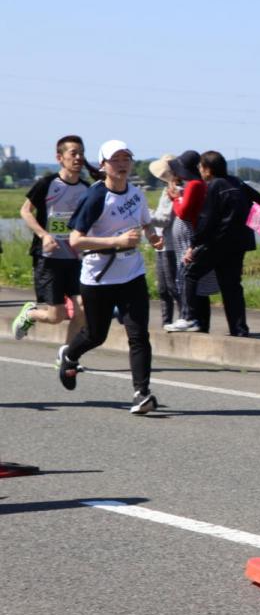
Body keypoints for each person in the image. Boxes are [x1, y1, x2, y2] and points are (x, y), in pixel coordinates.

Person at [58, 139, 163, 415]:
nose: (122, 164)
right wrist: (116, 241)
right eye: (115, 159)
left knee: (138, 335)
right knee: (96, 335)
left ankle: (141, 393)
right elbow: (75, 241)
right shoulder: (96, 197)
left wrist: (153, 237)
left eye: (126, 158)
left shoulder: (136, 194)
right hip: (98, 277)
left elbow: (145, 222)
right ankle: (70, 354)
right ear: (103, 165)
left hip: (132, 274)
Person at [11, 135, 96, 342]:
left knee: (82, 309)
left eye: (81, 153)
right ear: (60, 158)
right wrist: (44, 235)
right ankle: (30, 314)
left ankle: (67, 355)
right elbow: (25, 211)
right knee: (56, 316)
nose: (78, 158)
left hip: (75, 259)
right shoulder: (47, 183)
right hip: (49, 258)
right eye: (73, 153)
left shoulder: (86, 189)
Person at [183, 151, 260, 337]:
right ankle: (239, 330)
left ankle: (190, 318)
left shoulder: (215, 185)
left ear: (208, 169)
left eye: (201, 167)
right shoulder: (237, 181)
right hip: (240, 243)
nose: (200, 171)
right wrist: (249, 221)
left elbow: (206, 219)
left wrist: (194, 244)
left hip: (218, 242)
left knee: (190, 273)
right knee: (231, 286)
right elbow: (259, 199)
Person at [163, 150, 216, 332]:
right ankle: (200, 322)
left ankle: (189, 317)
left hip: (189, 236)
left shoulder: (194, 185)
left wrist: (175, 199)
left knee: (186, 275)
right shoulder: (198, 184)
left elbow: (183, 211)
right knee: (194, 280)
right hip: (190, 236)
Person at [147, 154, 181, 328]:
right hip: (163, 244)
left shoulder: (174, 191)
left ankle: (183, 318)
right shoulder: (167, 190)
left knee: (172, 287)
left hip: (170, 245)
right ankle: (166, 322)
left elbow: (164, 219)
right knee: (163, 288)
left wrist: (145, 214)